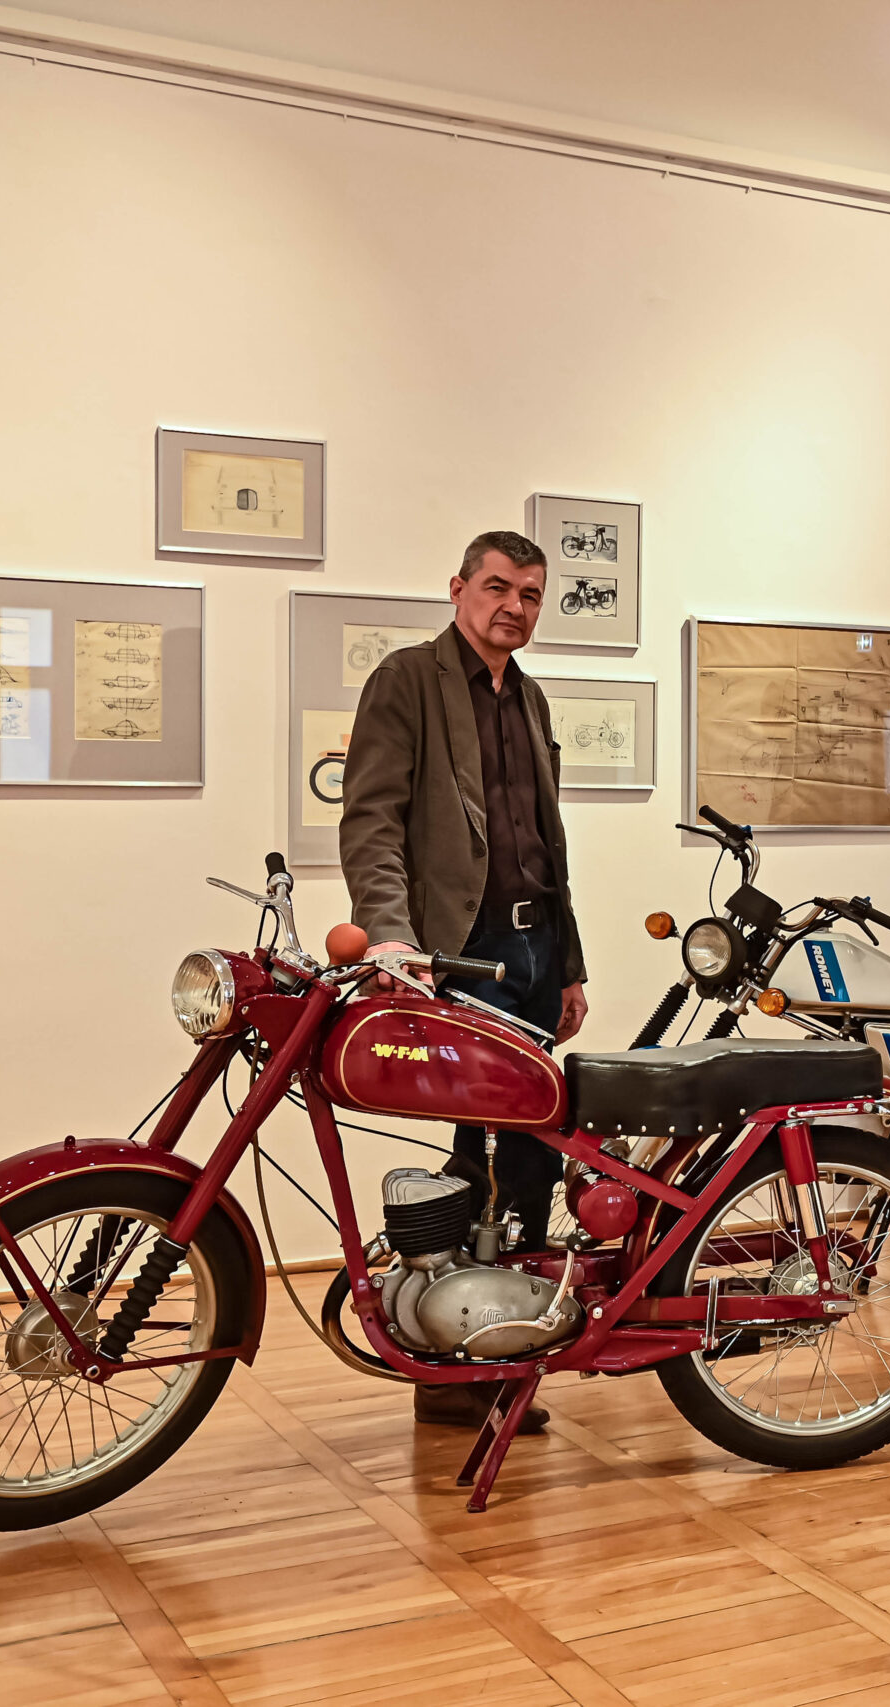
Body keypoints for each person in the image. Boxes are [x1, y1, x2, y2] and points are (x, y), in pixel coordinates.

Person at [340, 529, 590, 1429]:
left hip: (534, 948)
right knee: (474, 1146)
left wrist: (569, 964)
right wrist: (390, 936)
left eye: (530, 594)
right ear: (457, 589)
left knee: (533, 1148)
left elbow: (547, 845)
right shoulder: (409, 679)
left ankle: (508, 1337)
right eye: (497, 587)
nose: (513, 606)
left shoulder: (530, 696)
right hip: (458, 949)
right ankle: (450, 1364)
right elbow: (372, 819)